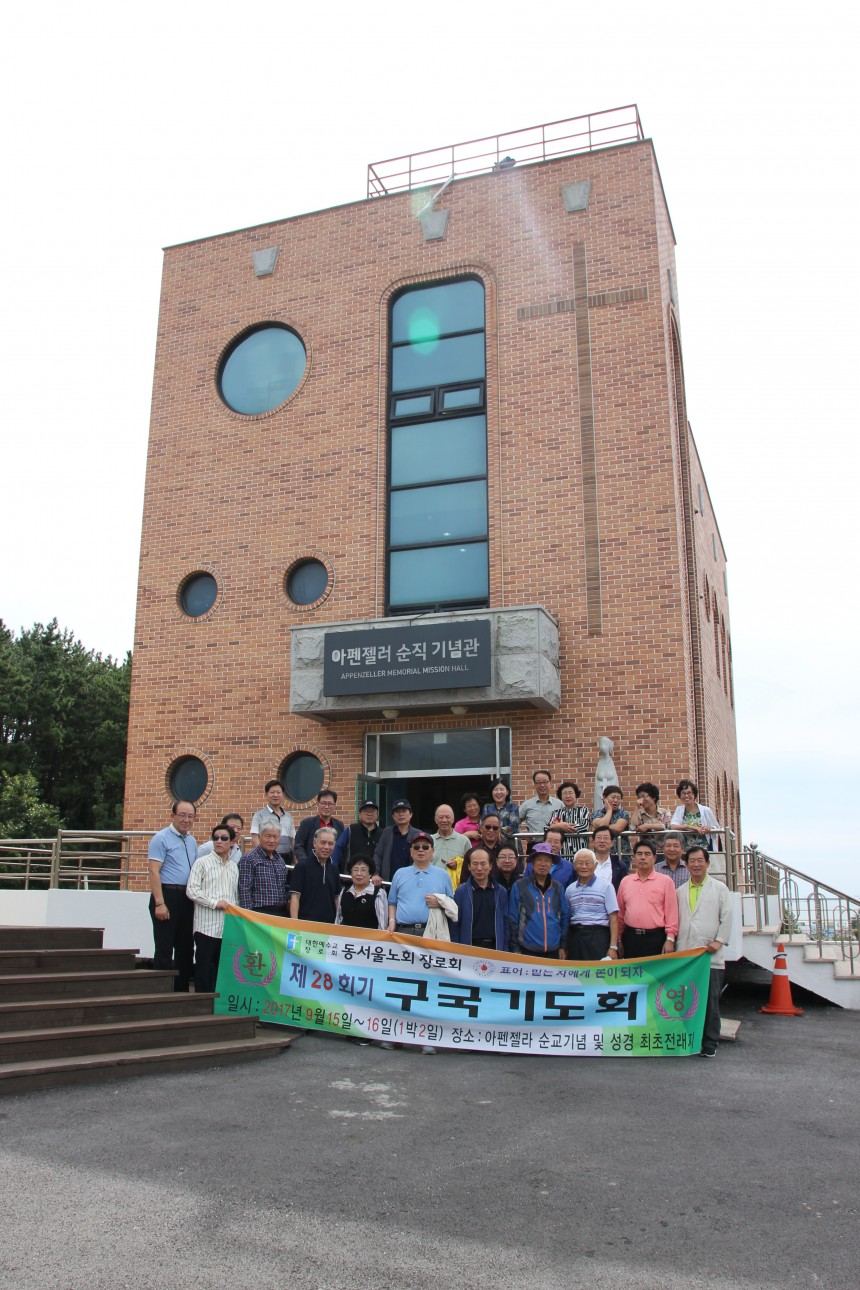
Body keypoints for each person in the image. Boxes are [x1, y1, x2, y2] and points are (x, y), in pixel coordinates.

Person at [385, 833, 454, 1055]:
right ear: (411, 851)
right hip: (404, 933)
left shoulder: (442, 875)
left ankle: (427, 1036)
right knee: (402, 986)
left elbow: (452, 905)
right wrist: (392, 922)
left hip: (430, 932)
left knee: (428, 987)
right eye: (417, 847)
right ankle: (397, 1036)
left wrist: (440, 901)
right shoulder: (400, 873)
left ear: (432, 851)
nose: (421, 850)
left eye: (426, 846)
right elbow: (392, 902)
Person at [675, 845, 733, 1057]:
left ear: (707, 863)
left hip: (710, 955)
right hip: (687, 955)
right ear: (686, 864)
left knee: (710, 1003)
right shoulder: (680, 891)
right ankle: (689, 1041)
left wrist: (719, 941)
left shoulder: (719, 888)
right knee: (687, 1001)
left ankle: (709, 1044)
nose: (696, 864)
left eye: (700, 860)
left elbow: (727, 918)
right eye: (692, 861)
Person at [148, 801, 198, 992]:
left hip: (186, 898)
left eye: (190, 816)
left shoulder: (191, 840)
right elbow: (154, 871)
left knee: (186, 948)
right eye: (182, 815)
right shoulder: (161, 838)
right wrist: (160, 903)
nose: (186, 820)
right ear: (173, 816)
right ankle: (160, 993)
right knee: (164, 947)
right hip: (166, 896)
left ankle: (181, 991)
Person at [186, 824, 239, 993]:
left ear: (232, 842)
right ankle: (201, 1006)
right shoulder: (202, 863)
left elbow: (235, 896)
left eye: (224, 838)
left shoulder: (233, 867)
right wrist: (214, 903)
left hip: (226, 927)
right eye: (215, 837)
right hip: (205, 926)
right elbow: (192, 890)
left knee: (221, 969)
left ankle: (217, 1008)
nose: (219, 841)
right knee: (203, 968)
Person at [616, 839, 679, 958]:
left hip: (655, 938)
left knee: (656, 975)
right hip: (631, 938)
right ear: (634, 858)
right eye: (639, 854)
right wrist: (618, 939)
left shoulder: (665, 881)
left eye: (647, 854)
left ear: (654, 858)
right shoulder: (625, 881)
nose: (643, 857)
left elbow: (671, 913)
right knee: (632, 975)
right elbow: (620, 914)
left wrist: (670, 938)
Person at [508, 845, 569, 959]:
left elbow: (564, 917)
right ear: (532, 863)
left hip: (554, 950)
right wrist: (515, 948)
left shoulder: (558, 888)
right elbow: (512, 919)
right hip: (527, 950)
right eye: (539, 860)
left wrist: (562, 946)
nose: (543, 864)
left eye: (547, 860)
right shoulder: (520, 886)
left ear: (552, 864)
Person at [564, 849, 620, 961]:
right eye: (580, 863)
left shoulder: (606, 886)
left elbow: (613, 918)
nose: (584, 866)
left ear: (594, 866)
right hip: (576, 936)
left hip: (598, 937)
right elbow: (568, 917)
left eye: (588, 863)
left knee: (596, 975)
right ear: (574, 866)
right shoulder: (570, 889)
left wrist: (613, 947)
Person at [451, 846, 509, 951]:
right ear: (469, 866)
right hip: (469, 947)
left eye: (483, 864)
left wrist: (505, 949)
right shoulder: (461, 892)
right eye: (475, 864)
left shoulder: (501, 891)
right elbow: (455, 924)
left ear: (490, 866)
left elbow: (505, 924)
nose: (479, 868)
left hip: (495, 947)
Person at [290, 826, 340, 923]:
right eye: (323, 842)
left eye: (330, 844)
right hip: (306, 925)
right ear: (314, 843)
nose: (326, 847)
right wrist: (294, 924)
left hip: (329, 927)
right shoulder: (302, 867)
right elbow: (295, 897)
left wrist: (338, 923)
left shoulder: (334, 869)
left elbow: (336, 898)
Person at [238, 823, 289, 916]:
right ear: (259, 836)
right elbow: (244, 890)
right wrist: (248, 916)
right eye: (268, 836)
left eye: (275, 837)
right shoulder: (249, 858)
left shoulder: (280, 860)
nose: (272, 840)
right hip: (259, 913)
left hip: (281, 912)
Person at [336, 854, 388, 931]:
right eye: (355, 870)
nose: (359, 874)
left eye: (363, 870)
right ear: (351, 873)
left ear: (370, 874)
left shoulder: (379, 894)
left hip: (370, 941)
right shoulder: (344, 892)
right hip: (346, 940)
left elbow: (382, 926)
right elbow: (338, 920)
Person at [374, 799, 421, 882]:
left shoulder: (417, 834)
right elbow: (378, 855)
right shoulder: (387, 832)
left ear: (411, 814)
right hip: (389, 882)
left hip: (411, 881)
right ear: (393, 816)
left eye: (404, 811)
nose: (401, 814)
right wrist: (376, 873)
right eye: (398, 812)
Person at [293, 790, 345, 862]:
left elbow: (342, 848)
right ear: (317, 804)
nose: (326, 807)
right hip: (310, 866)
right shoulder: (307, 823)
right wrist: (305, 863)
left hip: (332, 867)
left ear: (334, 806)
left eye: (330, 804)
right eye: (323, 803)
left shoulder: (339, 825)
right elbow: (298, 846)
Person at [332, 800, 382, 873]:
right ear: (359, 815)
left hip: (374, 879)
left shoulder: (382, 833)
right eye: (365, 811)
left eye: (372, 811)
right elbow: (338, 848)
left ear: (377, 815)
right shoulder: (350, 830)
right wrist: (333, 869)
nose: (369, 814)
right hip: (351, 878)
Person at [669, 780, 721, 850]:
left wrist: (709, 828)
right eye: (683, 793)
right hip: (685, 850)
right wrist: (691, 827)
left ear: (694, 795)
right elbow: (673, 826)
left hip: (704, 849)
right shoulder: (679, 810)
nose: (686, 795)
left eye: (689, 793)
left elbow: (716, 827)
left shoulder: (705, 810)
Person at [250, 780, 296, 857]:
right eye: (272, 792)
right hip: (268, 857)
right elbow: (255, 839)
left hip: (287, 856)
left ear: (283, 795)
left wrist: (295, 858)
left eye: (278, 792)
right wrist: (264, 856)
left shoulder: (288, 816)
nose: (275, 795)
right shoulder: (259, 815)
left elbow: (293, 839)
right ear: (266, 794)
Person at [431, 804, 469, 889]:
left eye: (447, 817)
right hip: (432, 887)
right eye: (441, 817)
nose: (444, 820)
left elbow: (470, 864)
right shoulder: (429, 840)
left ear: (453, 819)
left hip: (457, 889)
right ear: (435, 820)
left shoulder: (464, 840)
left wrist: (458, 864)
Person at [518, 771, 563, 843]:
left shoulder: (559, 804)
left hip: (553, 846)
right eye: (538, 782)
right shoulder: (527, 805)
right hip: (534, 845)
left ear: (550, 783)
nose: (542, 785)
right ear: (535, 785)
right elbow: (515, 822)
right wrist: (523, 834)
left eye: (545, 782)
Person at [550, 781, 591, 858]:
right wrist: (560, 825)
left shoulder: (584, 810)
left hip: (581, 853)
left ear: (576, 795)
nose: (568, 796)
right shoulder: (556, 813)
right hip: (562, 854)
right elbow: (548, 829)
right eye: (565, 793)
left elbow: (584, 826)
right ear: (560, 797)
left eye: (570, 793)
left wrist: (560, 827)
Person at [590, 785, 631, 855]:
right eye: (613, 797)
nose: (616, 800)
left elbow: (618, 828)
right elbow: (601, 825)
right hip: (601, 854)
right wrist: (609, 811)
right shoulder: (596, 813)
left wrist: (600, 827)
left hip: (621, 853)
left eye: (618, 798)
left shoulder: (624, 813)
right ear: (604, 798)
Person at [481, 778, 520, 844]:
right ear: (491, 792)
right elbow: (482, 825)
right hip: (491, 843)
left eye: (502, 789)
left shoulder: (513, 807)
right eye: (495, 790)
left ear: (507, 792)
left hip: (510, 844)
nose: (499, 792)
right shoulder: (487, 807)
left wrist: (495, 832)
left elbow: (513, 827)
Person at [591, 824, 629, 892]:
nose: (602, 841)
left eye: (606, 838)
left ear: (611, 843)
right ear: (593, 842)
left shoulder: (619, 866)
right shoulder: (586, 863)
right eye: (599, 837)